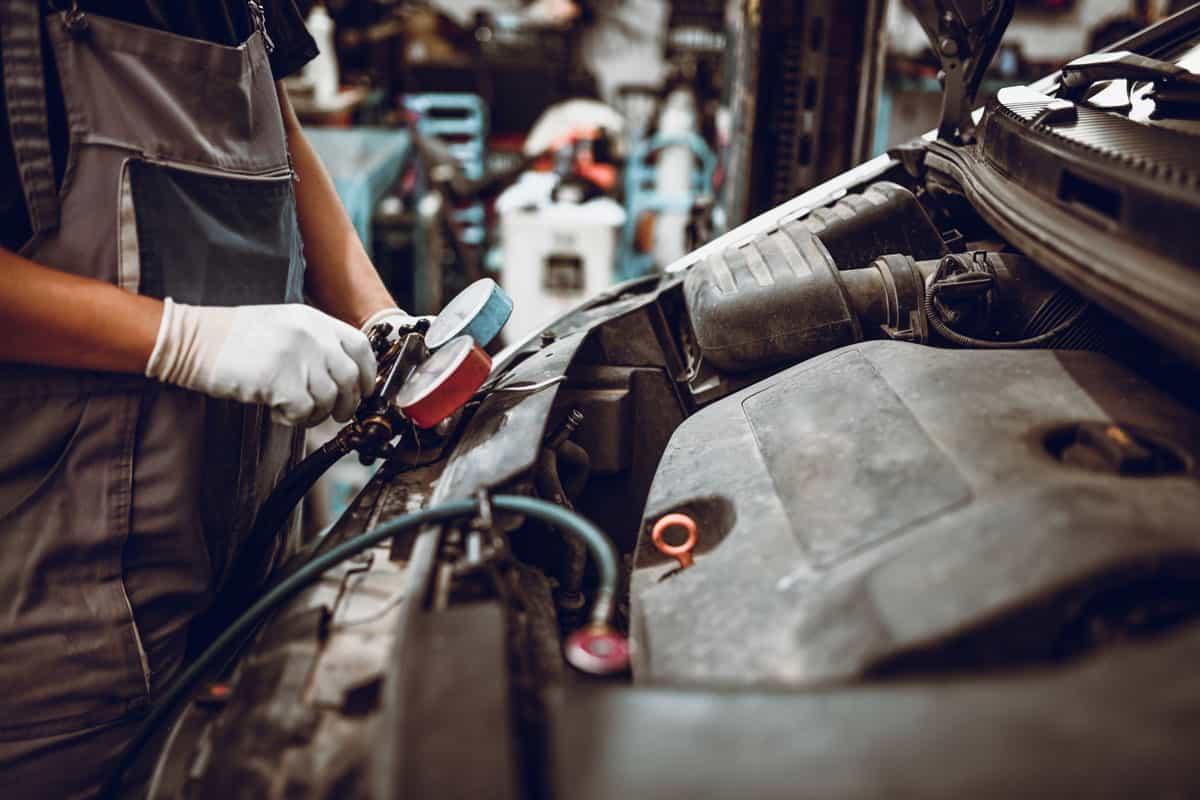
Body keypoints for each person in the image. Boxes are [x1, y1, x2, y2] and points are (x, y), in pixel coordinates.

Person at [0, 2, 418, 795]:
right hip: (51, 624)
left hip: (244, 562)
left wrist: (380, 317)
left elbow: (279, 131)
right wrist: (182, 339)